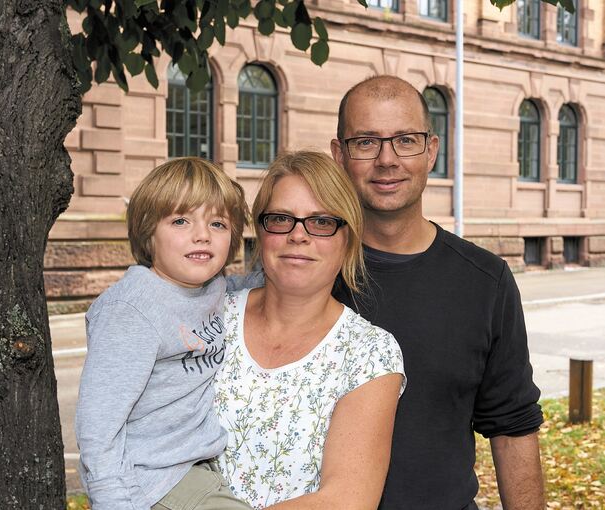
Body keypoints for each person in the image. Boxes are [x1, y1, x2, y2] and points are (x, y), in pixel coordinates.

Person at [330, 76, 545, 510]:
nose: (387, 160)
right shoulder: (306, 272)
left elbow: (512, 427)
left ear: (431, 150)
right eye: (366, 142)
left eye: (405, 140)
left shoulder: (485, 280)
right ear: (339, 155)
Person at [214, 150, 406, 510]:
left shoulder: (368, 354)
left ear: (347, 239)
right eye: (281, 218)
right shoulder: (209, 318)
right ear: (261, 230)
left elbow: (347, 500)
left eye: (320, 222)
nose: (298, 235)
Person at [75, 157, 254, 510]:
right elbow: (98, 425)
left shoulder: (213, 288)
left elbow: (260, 283)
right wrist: (113, 502)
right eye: (180, 220)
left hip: (194, 467)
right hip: (150, 480)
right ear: (148, 232)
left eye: (218, 223)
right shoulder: (131, 310)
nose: (202, 234)